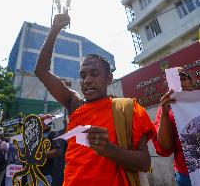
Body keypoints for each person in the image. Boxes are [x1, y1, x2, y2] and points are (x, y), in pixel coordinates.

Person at [34, 13, 155, 186]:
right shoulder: (75, 104)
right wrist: (54, 29)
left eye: (94, 74)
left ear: (109, 78)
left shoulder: (126, 110)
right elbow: (41, 71)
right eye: (83, 75)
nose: (87, 80)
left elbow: (145, 162)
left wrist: (109, 150)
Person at [152, 69, 194, 186]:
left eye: (183, 79)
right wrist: (165, 114)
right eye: (175, 81)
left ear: (191, 82)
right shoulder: (166, 108)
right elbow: (165, 146)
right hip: (186, 174)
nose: (180, 83)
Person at [37, 115, 61, 186]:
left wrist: (42, 154)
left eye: (40, 121)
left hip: (45, 174)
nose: (38, 123)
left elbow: (57, 151)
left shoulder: (52, 133)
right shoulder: (35, 134)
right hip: (32, 172)